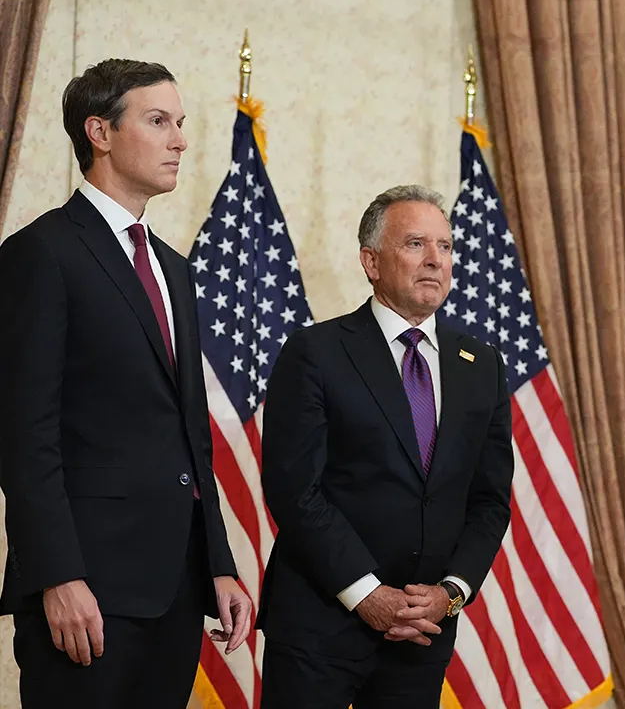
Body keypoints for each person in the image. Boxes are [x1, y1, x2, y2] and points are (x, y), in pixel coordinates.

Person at [0, 59, 252, 708]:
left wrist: (217, 562)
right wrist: (57, 575)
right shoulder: (41, 254)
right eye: (159, 121)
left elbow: (191, 434)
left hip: (174, 592)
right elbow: (24, 435)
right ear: (100, 132)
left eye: (181, 123)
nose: (180, 140)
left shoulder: (174, 268)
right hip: (86, 593)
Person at [258, 184, 514, 708]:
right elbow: (294, 491)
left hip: (421, 634)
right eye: (415, 244)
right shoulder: (316, 352)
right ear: (371, 261)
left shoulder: (481, 365)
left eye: (444, 246)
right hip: (318, 626)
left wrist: (451, 593)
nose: (435, 261)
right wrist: (366, 593)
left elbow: (489, 501)